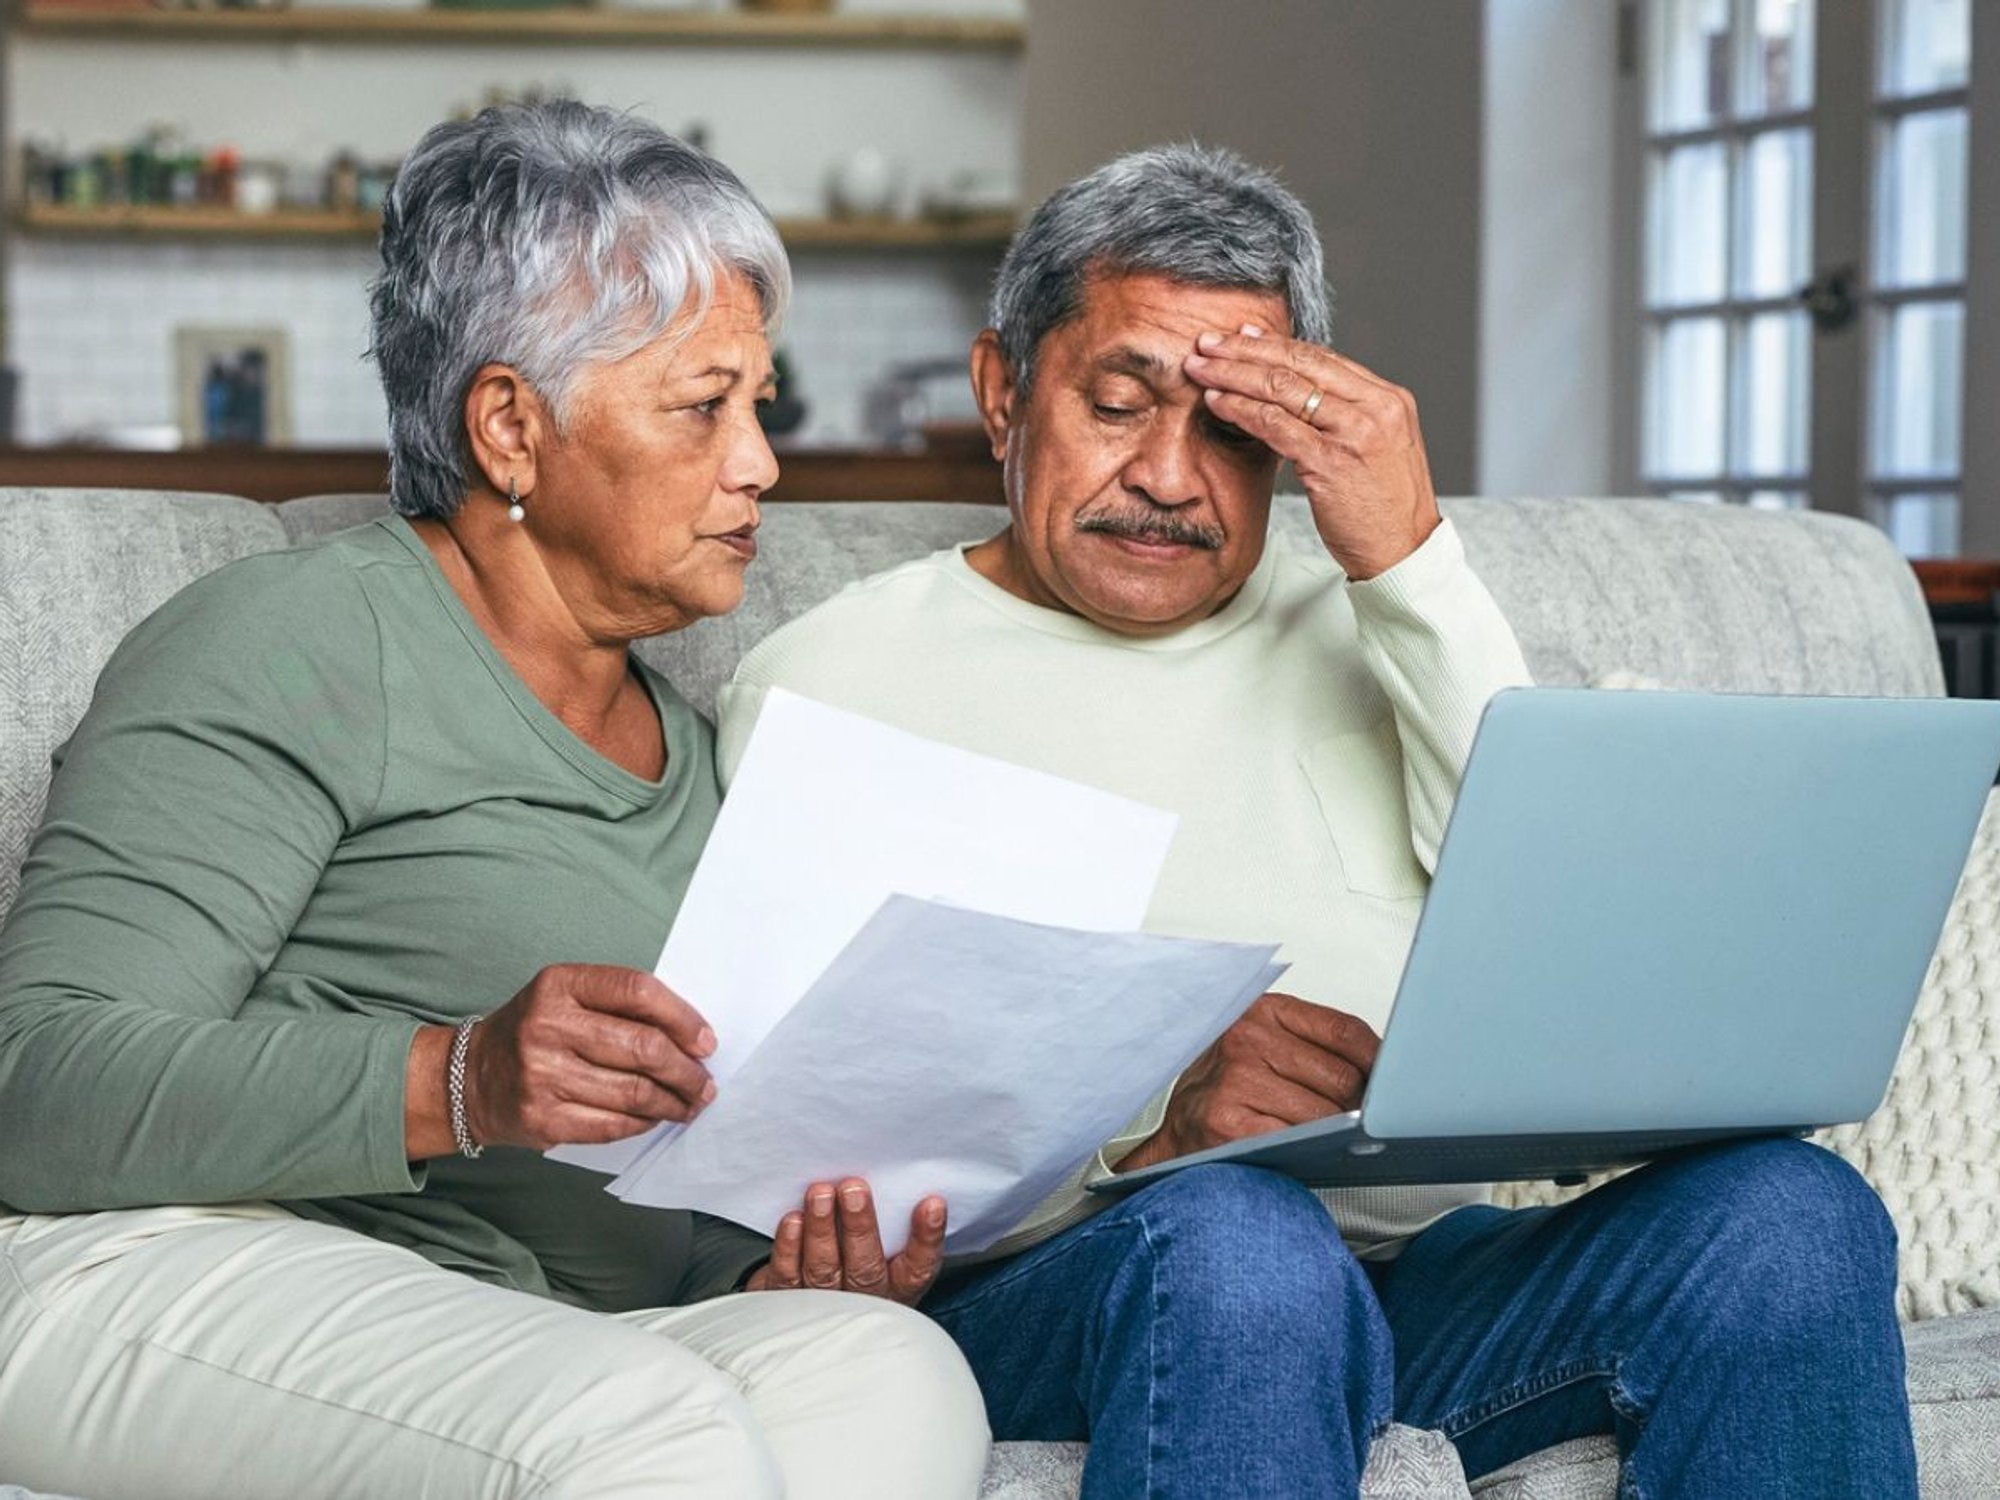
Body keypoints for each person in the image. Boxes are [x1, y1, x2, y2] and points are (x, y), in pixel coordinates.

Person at [718, 144, 1916, 1498]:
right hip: (1072, 1290)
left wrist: (1409, 559)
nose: (1172, 476)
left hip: (1423, 1281)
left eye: (1233, 430)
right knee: (1240, 1237)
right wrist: (1151, 1144)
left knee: (1795, 1219)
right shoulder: (843, 681)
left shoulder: (1386, 623)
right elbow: (799, 1157)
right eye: (1118, 406)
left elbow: (1565, 942)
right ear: (1005, 392)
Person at [0, 101, 988, 1500]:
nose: (762, 461)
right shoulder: (296, 642)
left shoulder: (701, 756)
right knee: (644, 1426)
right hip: (164, 1261)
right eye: (704, 405)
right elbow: (34, 1086)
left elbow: (660, 1186)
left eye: (760, 406)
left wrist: (773, 1264)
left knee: (888, 1375)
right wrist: (453, 1078)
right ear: (513, 427)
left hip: (539, 1328)